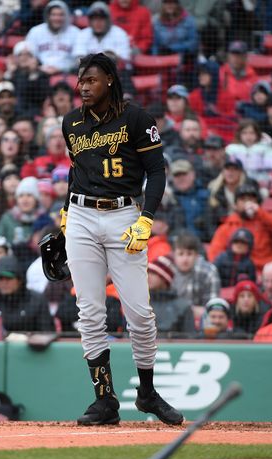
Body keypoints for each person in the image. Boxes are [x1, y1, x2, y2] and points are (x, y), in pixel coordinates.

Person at [61, 53, 183, 426]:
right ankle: (105, 401)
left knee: (140, 314)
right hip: (81, 215)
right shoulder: (71, 123)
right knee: (90, 312)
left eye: (92, 80)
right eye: (81, 80)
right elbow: (75, 169)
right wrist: (66, 210)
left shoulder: (136, 118)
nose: (84, 86)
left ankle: (146, 393)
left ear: (110, 80)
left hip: (123, 216)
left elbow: (157, 172)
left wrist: (146, 218)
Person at [207, 182, 272, 270]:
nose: (247, 203)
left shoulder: (266, 221)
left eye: (251, 199)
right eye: (242, 199)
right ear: (235, 205)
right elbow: (214, 257)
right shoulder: (228, 226)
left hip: (265, 274)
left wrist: (260, 213)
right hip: (238, 273)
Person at [171, 232, 220, 321]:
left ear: (196, 255)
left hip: (201, 323)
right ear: (174, 255)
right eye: (181, 254)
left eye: (189, 254)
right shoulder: (166, 269)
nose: (185, 259)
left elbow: (213, 311)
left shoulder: (209, 271)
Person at [24, 0, 80, 75]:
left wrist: (61, 68)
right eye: (53, 15)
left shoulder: (76, 32)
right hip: (40, 72)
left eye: (61, 15)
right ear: (48, 16)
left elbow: (79, 59)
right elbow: (28, 55)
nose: (57, 18)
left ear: (66, 15)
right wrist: (38, 66)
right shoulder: (35, 31)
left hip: (67, 73)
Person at [147, 254, 196, 336]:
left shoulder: (183, 307)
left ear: (165, 278)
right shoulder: (140, 304)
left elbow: (190, 340)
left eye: (153, 273)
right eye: (148, 272)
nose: (148, 277)